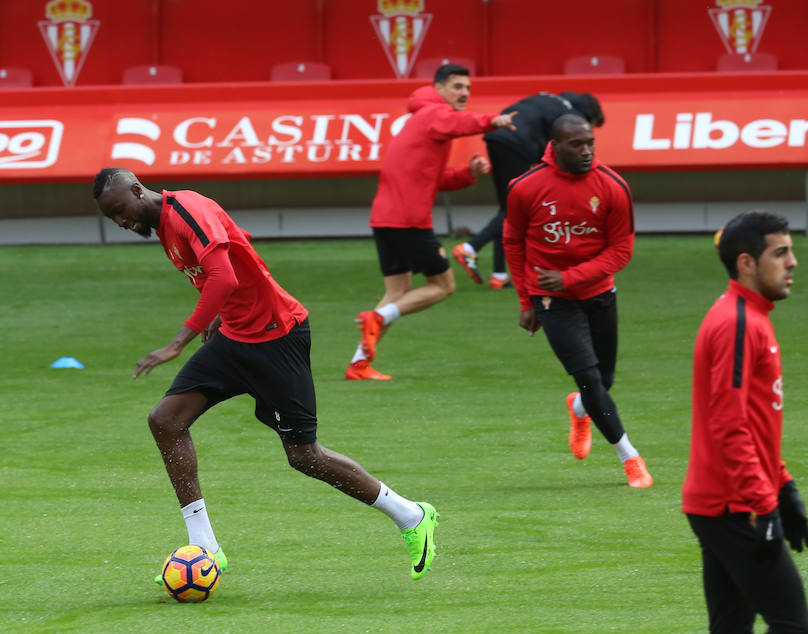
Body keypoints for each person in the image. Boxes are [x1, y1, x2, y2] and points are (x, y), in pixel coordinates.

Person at [92, 167, 439, 582]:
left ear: (136, 189)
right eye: (111, 218)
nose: (121, 221)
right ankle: (205, 547)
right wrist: (220, 315)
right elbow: (237, 249)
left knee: (305, 457)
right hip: (236, 338)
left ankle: (412, 515)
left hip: (277, 339)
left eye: (120, 210)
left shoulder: (186, 210)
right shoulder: (166, 226)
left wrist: (176, 343)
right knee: (165, 421)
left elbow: (224, 275)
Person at [682, 211, 808, 634]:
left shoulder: (749, 316)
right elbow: (729, 423)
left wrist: (786, 485)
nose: (792, 263)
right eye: (780, 253)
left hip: (720, 501)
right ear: (746, 264)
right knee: (792, 628)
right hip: (732, 505)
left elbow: (754, 423)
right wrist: (766, 504)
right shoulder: (738, 323)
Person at [503, 113, 652, 488]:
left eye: (590, 144)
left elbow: (621, 251)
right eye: (577, 145)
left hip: (598, 292)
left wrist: (570, 276)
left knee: (604, 380)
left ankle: (579, 408)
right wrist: (526, 301)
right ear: (555, 146)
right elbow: (513, 243)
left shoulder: (613, 186)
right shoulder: (525, 187)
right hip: (552, 300)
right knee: (587, 376)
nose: (586, 152)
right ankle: (630, 457)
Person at [346, 63, 517, 380]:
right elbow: (461, 123)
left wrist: (469, 174)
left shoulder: (423, 117)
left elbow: (434, 179)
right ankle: (378, 317)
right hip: (409, 221)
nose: (464, 93)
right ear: (439, 88)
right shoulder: (433, 114)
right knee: (443, 286)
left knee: (397, 292)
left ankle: (358, 365)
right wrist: (493, 121)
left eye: (467, 88)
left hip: (385, 219)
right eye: (457, 86)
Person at [453, 92, 604, 290]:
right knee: (514, 210)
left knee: (507, 208)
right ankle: (471, 247)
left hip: (496, 137)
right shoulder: (568, 116)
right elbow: (556, 147)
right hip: (517, 145)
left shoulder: (547, 99)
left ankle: (499, 275)